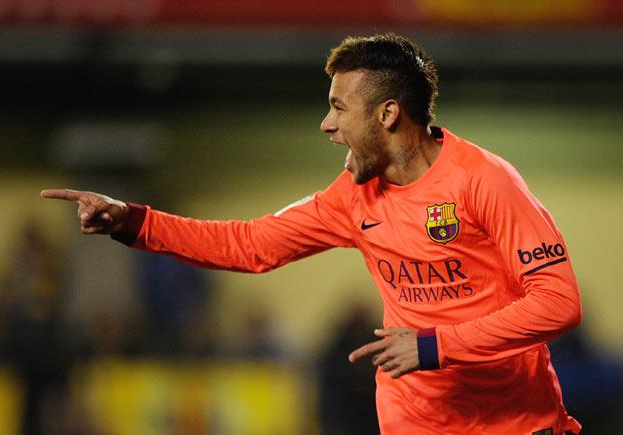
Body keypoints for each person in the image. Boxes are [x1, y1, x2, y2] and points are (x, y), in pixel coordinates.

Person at [42, 33, 582, 434]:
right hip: (418, 423)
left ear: (388, 113)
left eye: (338, 108)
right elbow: (249, 245)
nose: (327, 125)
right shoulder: (352, 196)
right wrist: (135, 221)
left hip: (518, 423)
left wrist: (438, 346)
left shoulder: (483, 181)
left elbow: (559, 303)